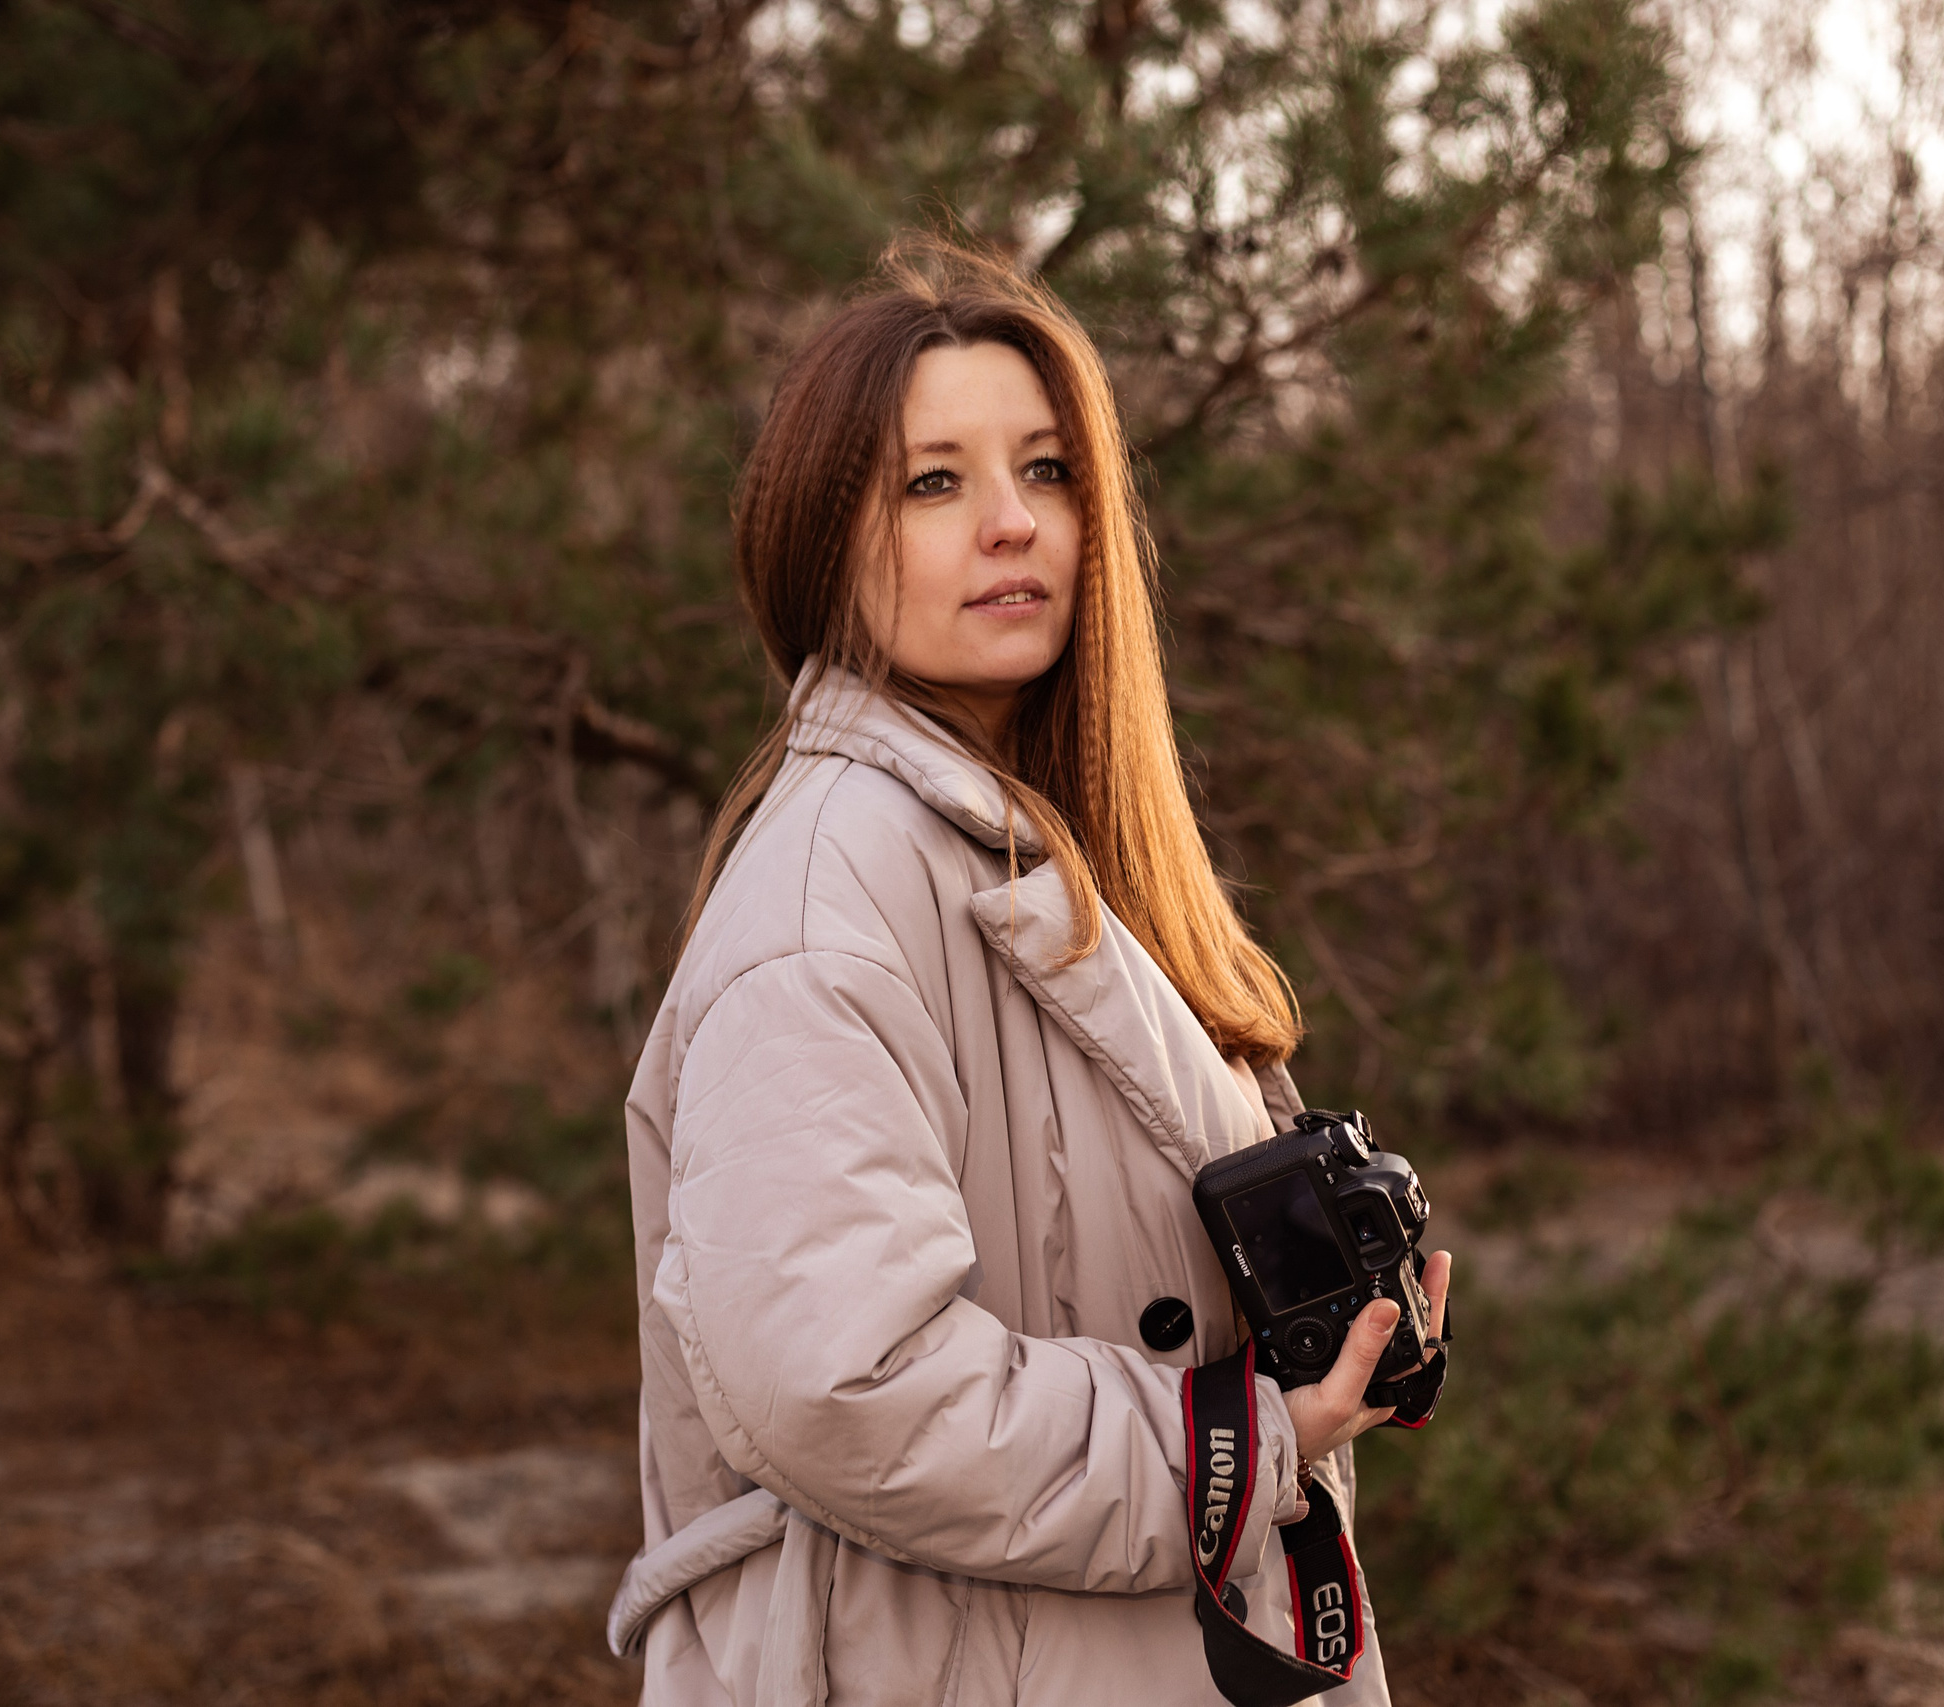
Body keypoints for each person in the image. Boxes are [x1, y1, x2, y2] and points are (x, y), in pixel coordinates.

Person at [615, 236, 1453, 1707]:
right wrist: (1238, 1438)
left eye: (1048, 471)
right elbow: (845, 1389)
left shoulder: (1047, 850)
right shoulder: (826, 901)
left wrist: (1331, 1344)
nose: (1011, 523)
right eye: (934, 482)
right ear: (823, 541)